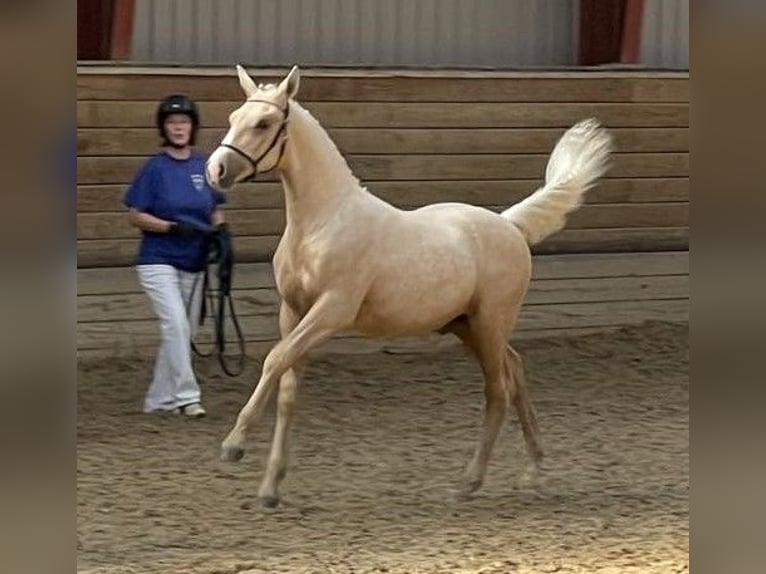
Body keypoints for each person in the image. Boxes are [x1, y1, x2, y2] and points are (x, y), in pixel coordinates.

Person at [123, 94, 228, 417]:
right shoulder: (155, 168)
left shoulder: (204, 165)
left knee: (185, 332)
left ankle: (158, 400)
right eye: (172, 122)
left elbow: (216, 209)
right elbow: (135, 214)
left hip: (193, 261)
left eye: (184, 122)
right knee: (177, 326)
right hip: (158, 259)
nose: (178, 127)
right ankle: (187, 397)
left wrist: (221, 235)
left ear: (192, 127)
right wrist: (169, 227)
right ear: (164, 128)